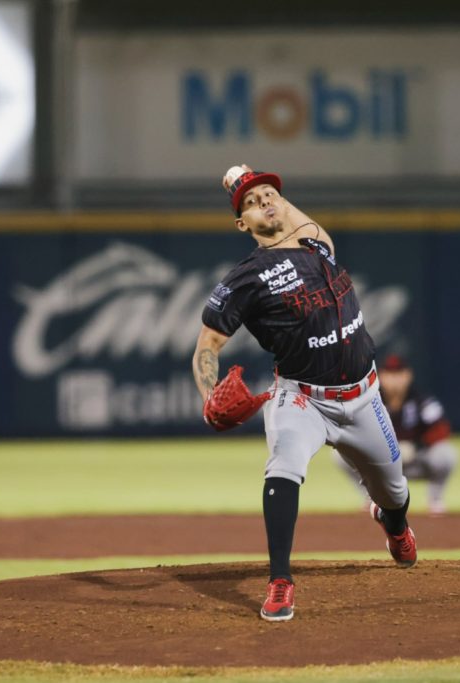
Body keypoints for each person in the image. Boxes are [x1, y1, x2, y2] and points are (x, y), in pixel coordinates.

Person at [192, 164, 416, 623]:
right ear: (242, 225)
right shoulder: (244, 279)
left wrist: (251, 182)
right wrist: (209, 394)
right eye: (251, 203)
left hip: (364, 397)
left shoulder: (317, 244)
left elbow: (286, 212)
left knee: (395, 493)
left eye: (270, 195)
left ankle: (393, 525)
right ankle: (280, 581)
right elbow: (207, 345)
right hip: (302, 399)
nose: (264, 202)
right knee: (283, 467)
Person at [333, 354, 459, 515]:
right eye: (390, 374)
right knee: (341, 454)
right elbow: (353, 429)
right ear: (381, 376)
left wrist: (416, 446)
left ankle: (435, 500)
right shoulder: (368, 401)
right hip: (380, 464)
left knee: (445, 454)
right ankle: (371, 498)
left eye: (399, 374)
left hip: (415, 462)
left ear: (408, 376)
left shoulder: (421, 400)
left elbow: (441, 429)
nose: (395, 380)